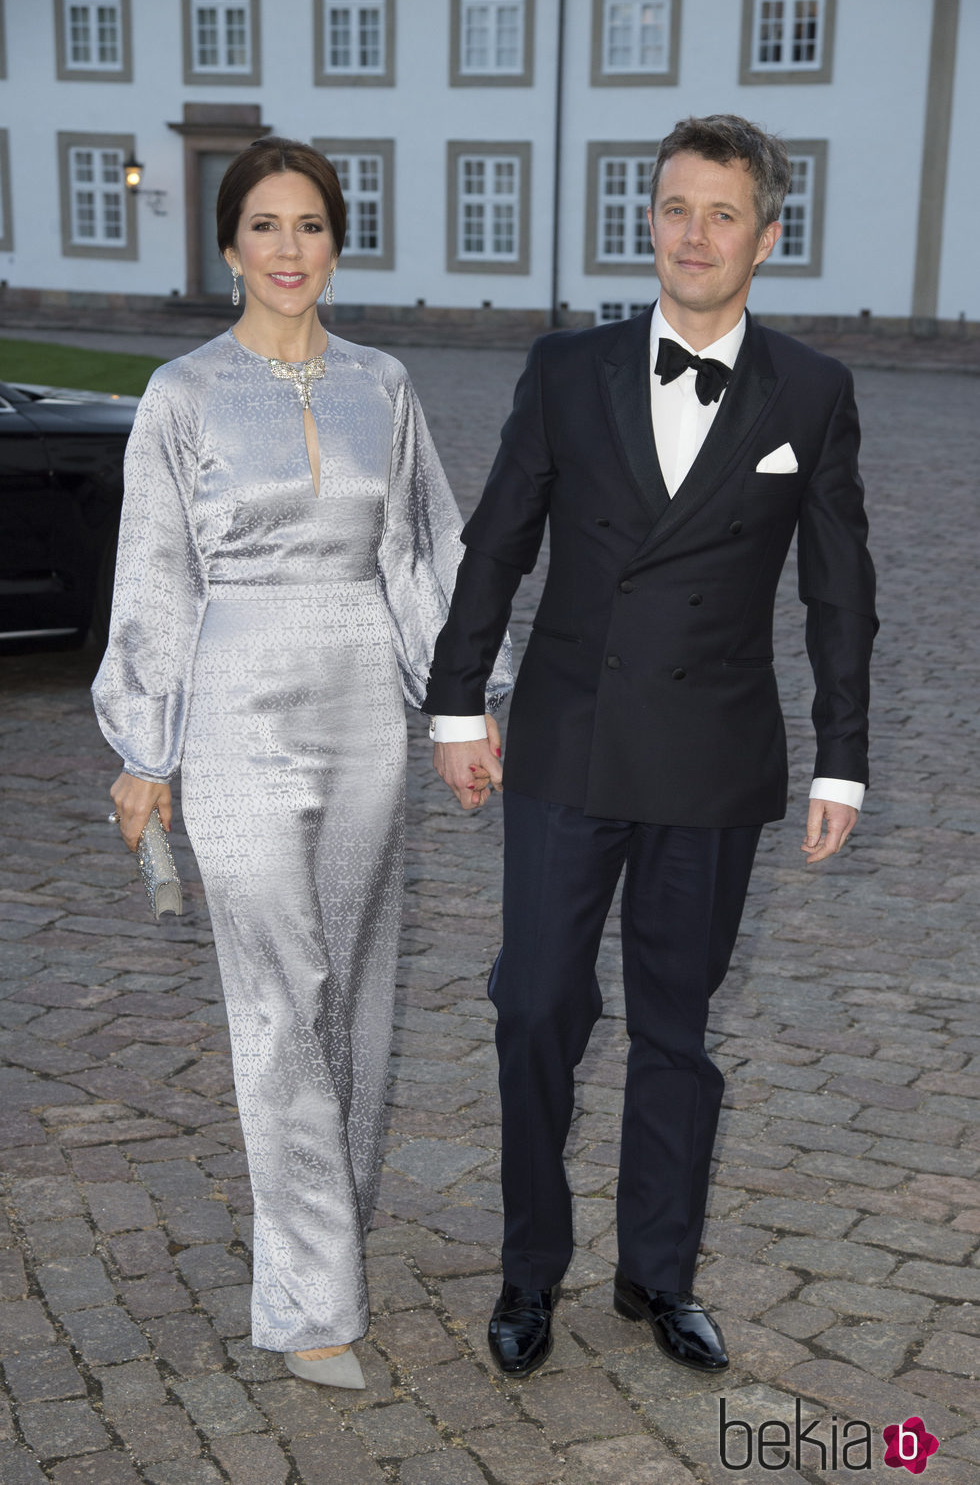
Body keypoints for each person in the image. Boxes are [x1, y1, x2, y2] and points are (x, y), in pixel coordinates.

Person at [424, 114, 876, 1379]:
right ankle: (529, 1271)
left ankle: (655, 1276)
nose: (692, 233)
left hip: (713, 757)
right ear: (650, 221)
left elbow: (838, 589)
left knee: (676, 1028)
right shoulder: (567, 368)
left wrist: (842, 755)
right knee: (533, 1008)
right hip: (568, 742)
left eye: (721, 213)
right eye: (674, 207)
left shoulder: (811, 391)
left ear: (765, 237)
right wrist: (457, 703)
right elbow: (498, 539)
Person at [93, 137, 509, 1389]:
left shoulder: (383, 385)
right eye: (264, 226)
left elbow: (427, 555)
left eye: (310, 226)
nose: (288, 249)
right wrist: (144, 747)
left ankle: (332, 1213)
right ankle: (310, 1291)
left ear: (337, 242)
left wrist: (464, 709)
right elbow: (155, 576)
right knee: (277, 996)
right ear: (229, 247)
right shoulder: (180, 395)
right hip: (233, 710)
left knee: (355, 984)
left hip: (362, 718)